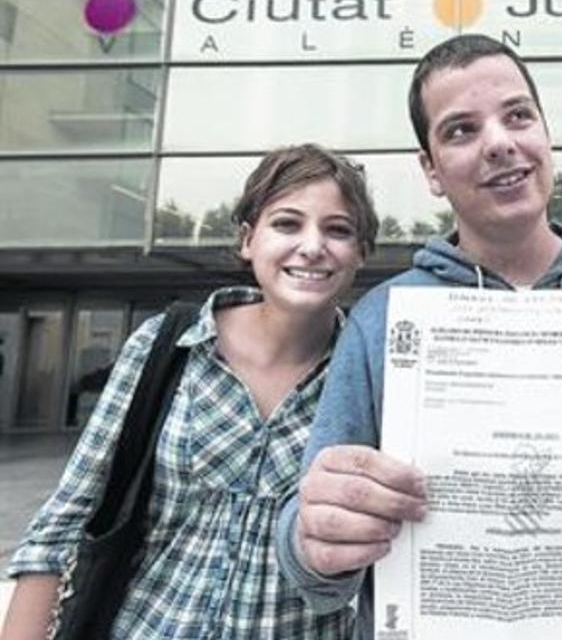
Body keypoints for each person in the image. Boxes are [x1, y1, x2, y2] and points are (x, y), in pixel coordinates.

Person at [274, 34, 562, 640]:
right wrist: (314, 535)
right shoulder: (384, 316)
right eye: (461, 130)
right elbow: (306, 546)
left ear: (546, 135)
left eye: (518, 115)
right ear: (431, 170)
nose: (500, 142)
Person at [1, 144, 379, 639]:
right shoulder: (168, 345)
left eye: (338, 230)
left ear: (361, 253)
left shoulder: (372, 376)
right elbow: (65, 523)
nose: (312, 246)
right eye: (287, 224)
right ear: (248, 239)